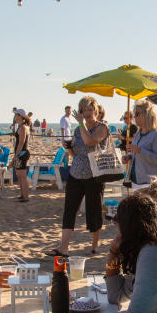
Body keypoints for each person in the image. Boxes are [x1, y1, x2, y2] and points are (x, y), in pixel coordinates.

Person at [52, 96, 110, 257]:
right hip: (76, 173)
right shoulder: (78, 129)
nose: (87, 113)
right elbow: (76, 153)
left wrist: (80, 124)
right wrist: (68, 147)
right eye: (84, 110)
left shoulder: (102, 127)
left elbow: (90, 141)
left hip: (94, 176)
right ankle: (63, 247)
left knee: (94, 211)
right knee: (69, 210)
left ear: (96, 111)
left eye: (90, 109)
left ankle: (94, 246)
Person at [126, 100, 157, 190]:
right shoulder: (138, 133)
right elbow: (136, 154)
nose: (134, 117)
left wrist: (140, 150)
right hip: (136, 181)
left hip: (150, 183)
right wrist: (129, 157)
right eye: (134, 114)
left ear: (147, 115)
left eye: (137, 114)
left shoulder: (156, 135)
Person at [10, 109, 32, 202]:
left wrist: (16, 155)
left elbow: (21, 142)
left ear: (20, 116)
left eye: (16, 115)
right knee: (19, 175)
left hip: (22, 153)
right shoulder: (21, 126)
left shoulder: (23, 127)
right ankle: (22, 195)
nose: (15, 116)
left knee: (22, 176)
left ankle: (26, 197)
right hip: (21, 153)